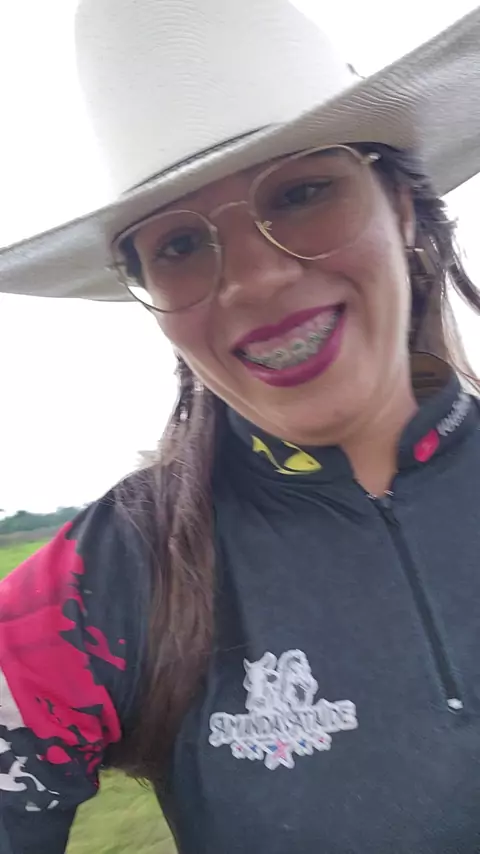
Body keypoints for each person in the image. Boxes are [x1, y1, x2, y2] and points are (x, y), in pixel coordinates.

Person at [1, 0, 480, 851]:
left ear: (403, 207)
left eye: (301, 193)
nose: (255, 279)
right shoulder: (105, 578)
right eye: (179, 245)